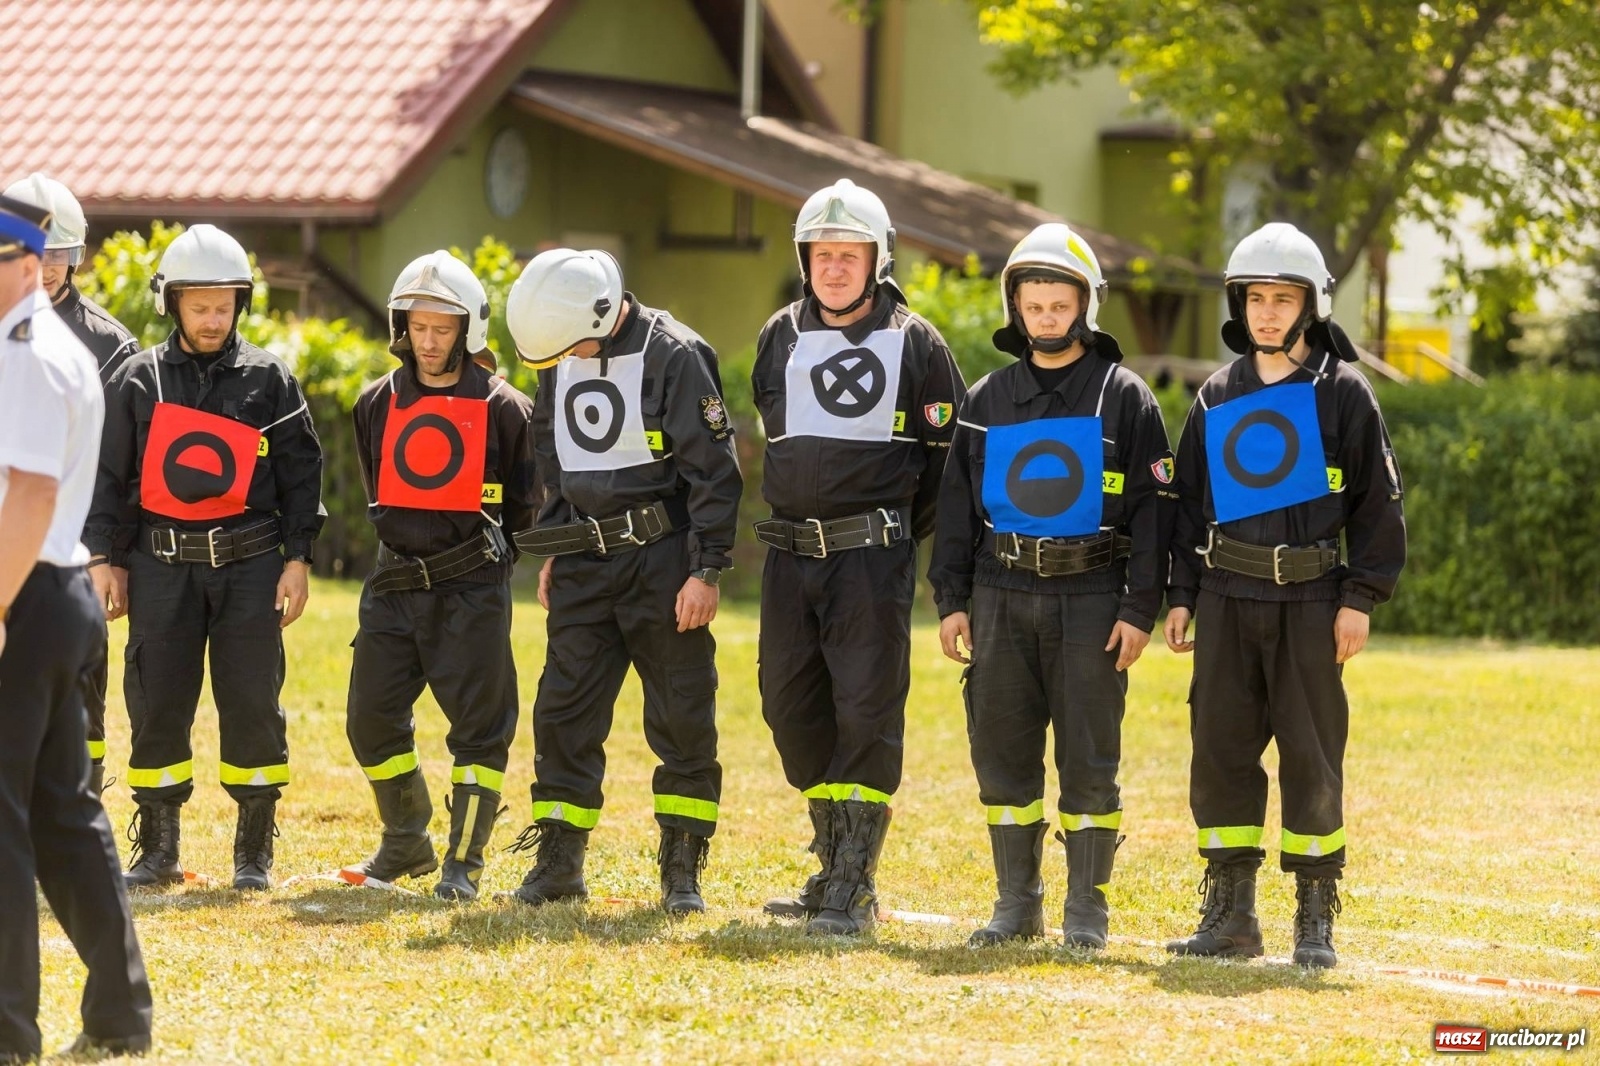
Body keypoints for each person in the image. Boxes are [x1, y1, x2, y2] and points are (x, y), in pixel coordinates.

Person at [1163, 222, 1406, 968]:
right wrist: (1180, 593)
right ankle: (1232, 915)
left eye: (1283, 298)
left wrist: (1359, 596)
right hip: (1228, 598)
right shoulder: (1215, 395)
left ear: (1313, 304)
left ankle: (1314, 917)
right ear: (1239, 304)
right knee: (1222, 752)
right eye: (1255, 298)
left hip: (1309, 603)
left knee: (1311, 757)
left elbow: (1377, 504)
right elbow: (1186, 506)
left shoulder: (1343, 393)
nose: (1267, 313)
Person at [929, 223, 1175, 948]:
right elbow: (954, 513)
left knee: (1089, 757)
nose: (1045, 316)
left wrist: (1139, 610)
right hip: (1000, 598)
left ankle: (1086, 911)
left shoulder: (1124, 399)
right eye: (1032, 304)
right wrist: (950, 602)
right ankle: (1017, 904)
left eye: (1058, 303)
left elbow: (1155, 516)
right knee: (1001, 753)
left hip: (1092, 602)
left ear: (1084, 306)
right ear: (1016, 308)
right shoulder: (985, 399)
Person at [754, 179, 966, 935]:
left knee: (865, 712)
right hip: (788, 560)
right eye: (822, 254)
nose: (834, 267)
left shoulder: (919, 343)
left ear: (878, 261)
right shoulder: (778, 334)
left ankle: (851, 881)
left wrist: (895, 534)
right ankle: (828, 853)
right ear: (805, 259)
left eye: (849, 254)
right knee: (788, 706)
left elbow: (950, 463)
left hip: (870, 563)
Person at [85, 224, 325, 891]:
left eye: (224, 305)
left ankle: (254, 854)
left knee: (252, 699)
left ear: (240, 303)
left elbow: (304, 472)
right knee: (157, 699)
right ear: (172, 304)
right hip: (161, 566)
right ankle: (157, 850)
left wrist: (298, 558)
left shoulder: (270, 379)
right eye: (200, 306)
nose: (213, 318)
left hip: (251, 564)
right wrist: (106, 558)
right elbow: (110, 478)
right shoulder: (137, 380)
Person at [504, 248, 741, 915]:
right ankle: (558, 863)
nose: (563, 365)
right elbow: (554, 455)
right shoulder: (561, 350)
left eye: (571, 349)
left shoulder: (677, 356)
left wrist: (706, 569)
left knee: (682, 714)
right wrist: (554, 546)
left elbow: (714, 473)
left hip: (663, 562)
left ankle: (682, 870)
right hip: (583, 562)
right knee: (562, 713)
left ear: (603, 315)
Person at [0, 193, 151, 1062]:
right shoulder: (49, 343)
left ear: (28, 264)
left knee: (8, 817)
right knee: (65, 811)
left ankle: (9, 1027)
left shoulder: (25, 350)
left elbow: (29, 492)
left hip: (24, 593)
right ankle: (120, 1012)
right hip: (57, 592)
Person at [341, 251, 536, 901]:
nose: (428, 341)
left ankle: (463, 863)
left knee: (479, 731)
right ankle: (406, 842)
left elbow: (525, 509)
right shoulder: (375, 402)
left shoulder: (507, 410)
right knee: (369, 721)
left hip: (471, 591)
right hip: (393, 589)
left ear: (467, 329)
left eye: (441, 328)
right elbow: (380, 493)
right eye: (417, 326)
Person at [3, 173, 140, 795]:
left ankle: (80, 783)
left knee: (78, 681)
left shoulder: (110, 345)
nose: (50, 268)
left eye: (61, 255)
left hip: (74, 543)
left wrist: (109, 555)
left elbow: (118, 464)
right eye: (40, 254)